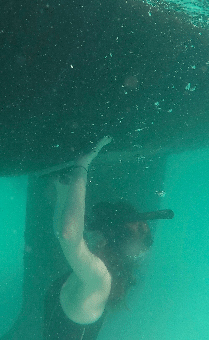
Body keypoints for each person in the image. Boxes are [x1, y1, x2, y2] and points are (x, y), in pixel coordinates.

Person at [44, 136, 173, 340]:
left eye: (140, 227)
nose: (143, 222)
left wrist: (82, 166)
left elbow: (68, 236)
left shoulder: (99, 276)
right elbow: (65, 233)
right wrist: (62, 192)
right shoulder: (95, 266)